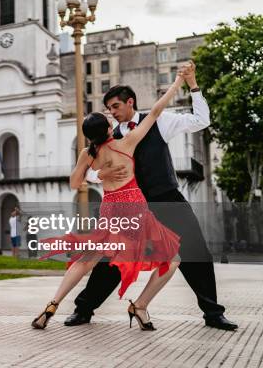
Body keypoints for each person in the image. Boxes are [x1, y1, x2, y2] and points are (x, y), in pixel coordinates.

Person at [61, 61, 237, 331]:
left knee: (195, 254)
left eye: (115, 107)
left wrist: (192, 83)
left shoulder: (161, 120)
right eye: (108, 109)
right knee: (112, 260)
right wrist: (102, 177)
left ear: (129, 102)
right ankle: (83, 310)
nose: (112, 113)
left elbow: (202, 120)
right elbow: (91, 171)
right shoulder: (109, 137)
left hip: (167, 199)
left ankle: (213, 314)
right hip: (131, 207)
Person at [31, 67, 190, 330]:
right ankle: (140, 305)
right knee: (172, 260)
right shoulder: (125, 143)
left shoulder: (87, 153)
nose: (111, 116)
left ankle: (52, 305)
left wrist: (98, 173)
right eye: (108, 117)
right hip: (135, 212)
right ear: (108, 128)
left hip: (110, 211)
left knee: (86, 261)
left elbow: (73, 183)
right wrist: (176, 84)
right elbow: (155, 112)